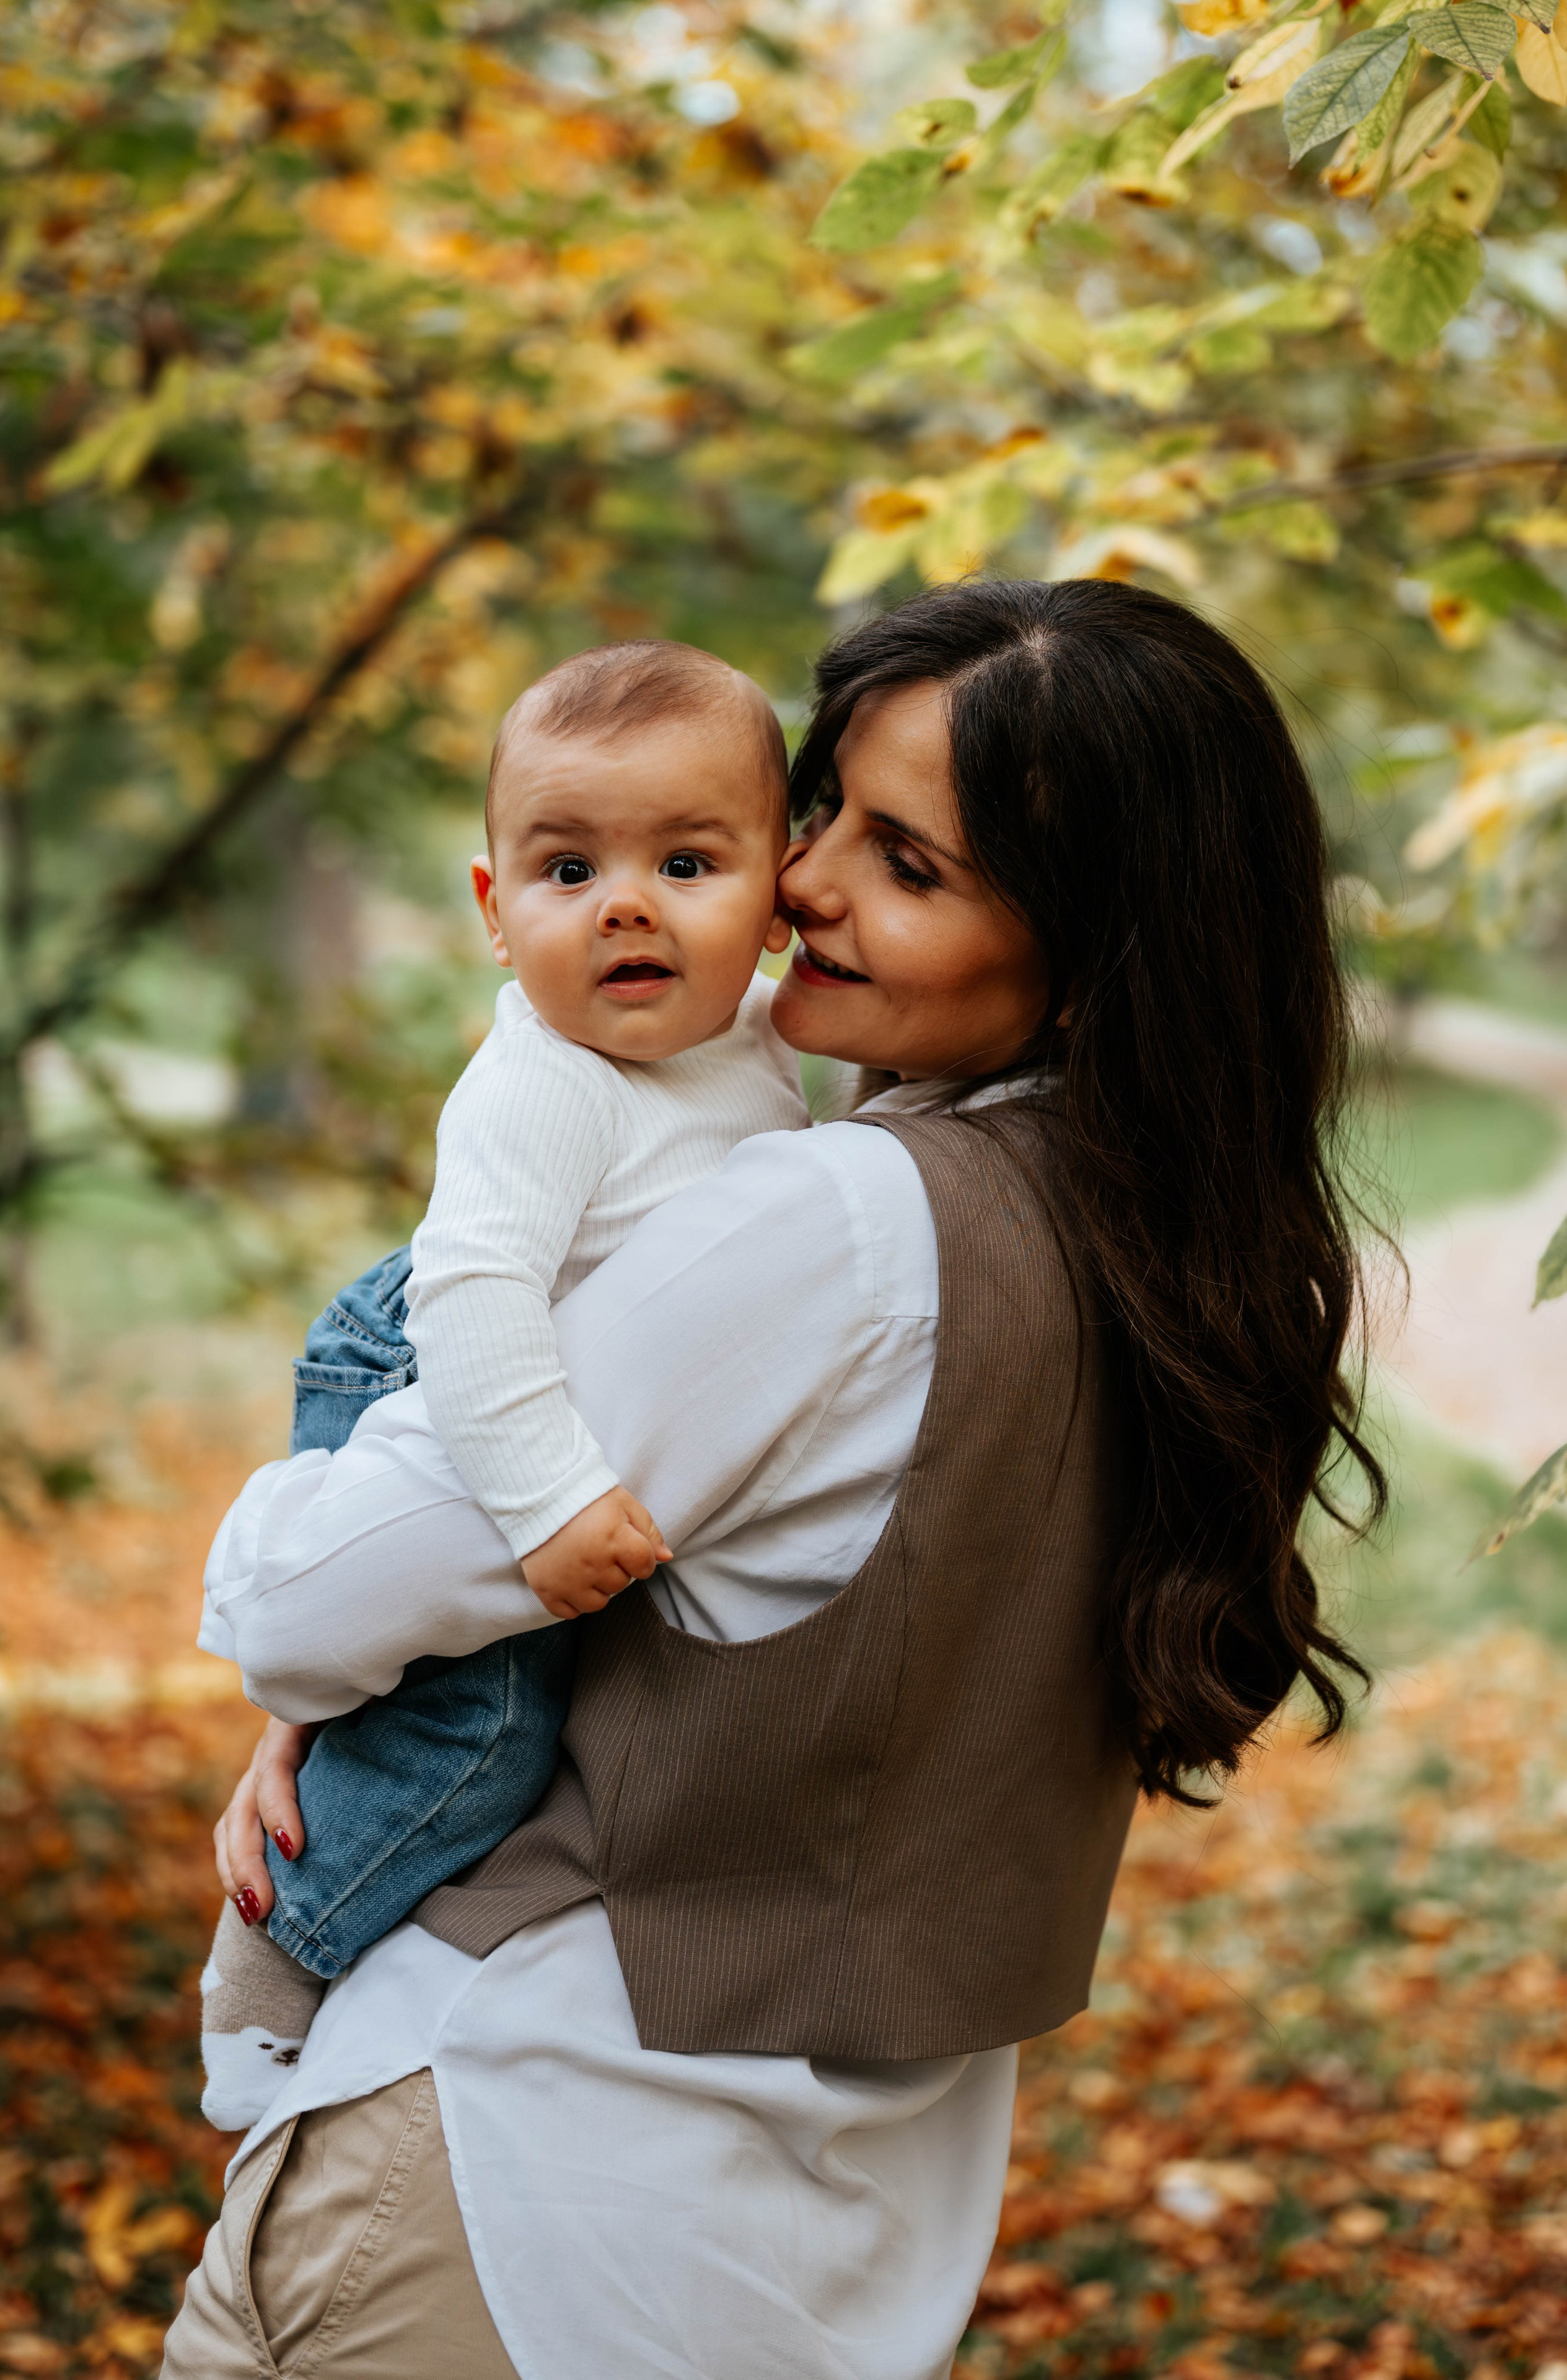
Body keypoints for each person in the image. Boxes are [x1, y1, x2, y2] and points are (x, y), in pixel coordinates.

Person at [164, 580, 1381, 2380]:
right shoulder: (1175, 1267)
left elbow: (305, 1600)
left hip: (506, 2183)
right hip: (816, 2253)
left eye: (910, 864)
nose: (804, 884)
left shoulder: (835, 1228)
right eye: (826, 815)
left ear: (1097, 942)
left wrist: (325, 1662)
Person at [198, 639, 809, 2128]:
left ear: (780, 888)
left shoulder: (749, 1036)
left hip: (512, 1358)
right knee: (478, 1727)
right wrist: (546, 1504)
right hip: (439, 1355)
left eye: (684, 860)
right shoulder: (547, 1078)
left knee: (431, 1699)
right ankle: (275, 1960)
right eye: (565, 870)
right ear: (492, 910)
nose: (624, 905)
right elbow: (474, 1298)